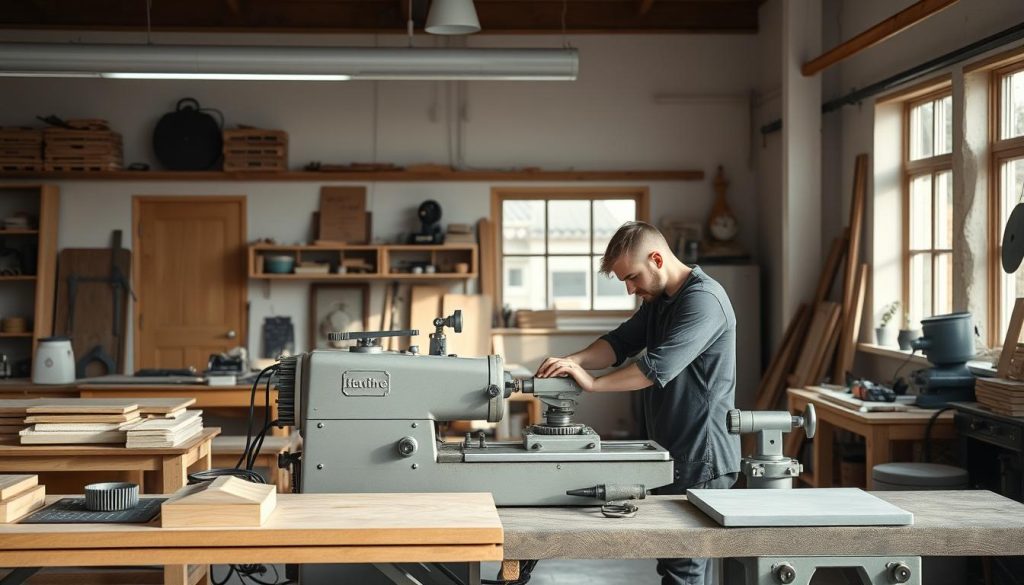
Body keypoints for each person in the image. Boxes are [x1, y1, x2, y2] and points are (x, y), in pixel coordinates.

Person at [536, 220, 740, 585]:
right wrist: (572, 362)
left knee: (684, 572)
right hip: (672, 450)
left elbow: (656, 368)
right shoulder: (660, 301)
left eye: (632, 277)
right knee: (674, 565)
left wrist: (593, 385)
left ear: (657, 259)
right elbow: (617, 343)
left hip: (702, 456)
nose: (631, 289)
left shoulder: (703, 300)